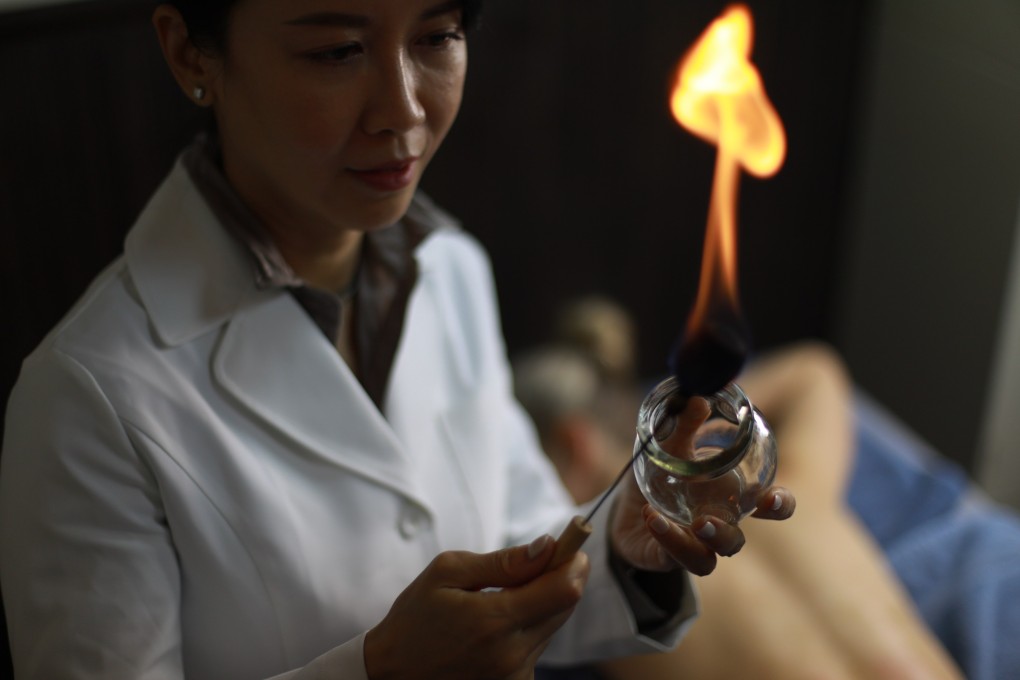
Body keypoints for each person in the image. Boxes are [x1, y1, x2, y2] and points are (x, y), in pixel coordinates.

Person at [0, 2, 795, 678]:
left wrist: (622, 549)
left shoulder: (449, 269)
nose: (404, 109)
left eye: (436, 37)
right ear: (188, 52)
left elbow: (516, 552)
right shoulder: (84, 398)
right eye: (338, 50)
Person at [513, 298, 967, 679]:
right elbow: (814, 370)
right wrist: (708, 410)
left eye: (529, 479)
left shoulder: (591, 588)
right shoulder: (794, 484)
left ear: (574, 444)